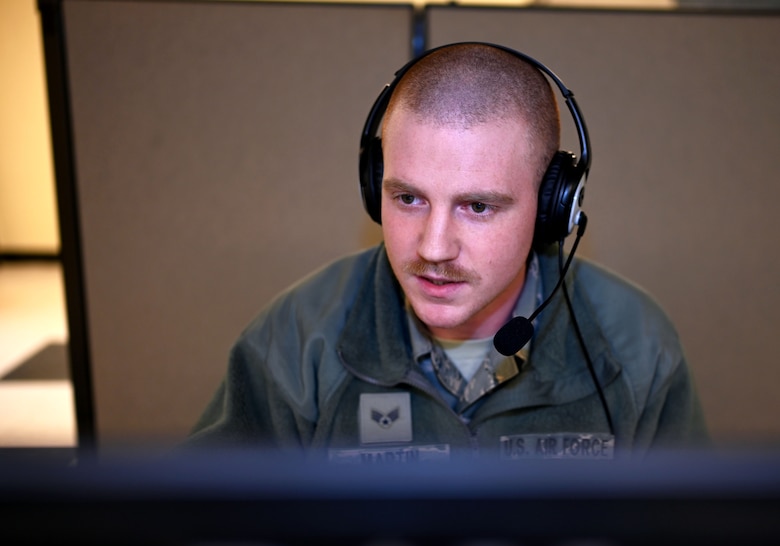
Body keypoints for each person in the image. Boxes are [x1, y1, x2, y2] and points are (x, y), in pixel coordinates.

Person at [186, 43, 708, 461]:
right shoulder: (294, 343)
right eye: (408, 198)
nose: (433, 248)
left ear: (553, 208)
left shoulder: (636, 345)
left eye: (478, 206)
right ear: (375, 189)